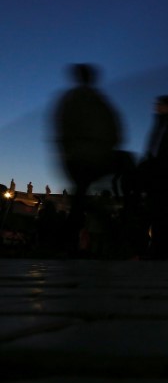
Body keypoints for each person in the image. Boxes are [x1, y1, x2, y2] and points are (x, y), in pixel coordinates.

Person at [51, 63, 124, 250]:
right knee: (82, 198)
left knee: (80, 198)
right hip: (96, 157)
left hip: (77, 156)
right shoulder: (100, 101)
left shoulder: (71, 99)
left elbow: (61, 126)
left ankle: (65, 241)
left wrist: (65, 149)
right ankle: (111, 234)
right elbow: (115, 129)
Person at [138, 94, 168, 259]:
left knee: (159, 216)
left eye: (160, 104)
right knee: (157, 215)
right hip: (157, 178)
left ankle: (159, 252)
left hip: (162, 178)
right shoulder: (163, 126)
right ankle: (157, 251)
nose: (156, 107)